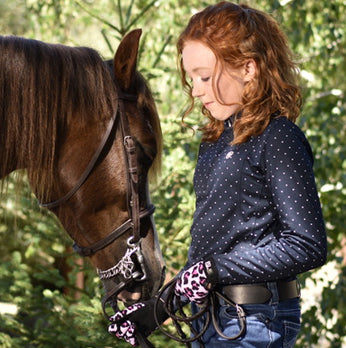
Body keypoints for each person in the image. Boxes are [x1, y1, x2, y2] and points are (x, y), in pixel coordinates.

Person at [108, 2, 327, 347]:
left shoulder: (278, 137)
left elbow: (307, 245)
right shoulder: (214, 143)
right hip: (209, 321)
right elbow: (205, 260)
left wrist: (217, 270)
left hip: (256, 323)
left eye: (205, 77)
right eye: (191, 78)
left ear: (249, 68)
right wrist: (154, 313)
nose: (195, 90)